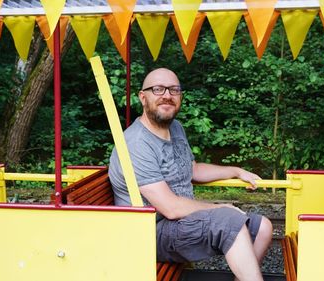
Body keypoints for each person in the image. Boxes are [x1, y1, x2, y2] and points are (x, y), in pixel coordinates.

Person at [109, 68, 273, 281]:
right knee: (229, 220)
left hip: (179, 223)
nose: (167, 95)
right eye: (158, 89)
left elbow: (193, 169)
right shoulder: (137, 144)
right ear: (143, 97)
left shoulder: (175, 127)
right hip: (150, 232)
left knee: (263, 228)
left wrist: (236, 171)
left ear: (180, 97)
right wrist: (220, 208)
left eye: (174, 90)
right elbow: (171, 207)